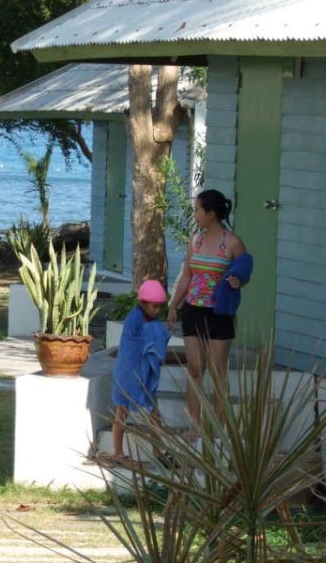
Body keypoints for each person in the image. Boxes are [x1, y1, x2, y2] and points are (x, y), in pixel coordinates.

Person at [166, 189, 253, 441]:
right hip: (193, 310)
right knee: (195, 369)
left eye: (197, 210)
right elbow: (187, 275)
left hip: (219, 313)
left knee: (217, 372)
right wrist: (174, 305)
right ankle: (196, 426)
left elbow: (244, 272)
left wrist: (239, 282)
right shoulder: (195, 241)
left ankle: (218, 428)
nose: (195, 214)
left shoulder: (233, 242)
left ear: (211, 214)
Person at [109, 279, 170, 464]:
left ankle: (158, 452)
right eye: (154, 307)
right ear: (142, 303)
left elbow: (155, 336)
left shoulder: (152, 320)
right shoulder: (134, 319)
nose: (158, 311)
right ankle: (118, 454)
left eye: (160, 307)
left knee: (154, 414)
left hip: (142, 374)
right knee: (122, 411)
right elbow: (141, 341)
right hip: (128, 374)